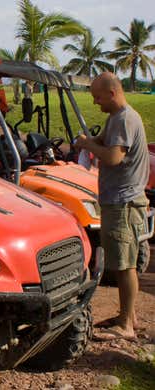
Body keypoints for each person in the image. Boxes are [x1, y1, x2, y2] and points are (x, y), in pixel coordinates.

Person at [75, 72, 149, 340]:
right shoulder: (116, 119)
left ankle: (127, 326)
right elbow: (104, 144)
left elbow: (114, 157)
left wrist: (86, 144)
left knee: (125, 264)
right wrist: (89, 142)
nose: (95, 102)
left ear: (112, 93)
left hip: (123, 202)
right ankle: (127, 315)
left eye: (97, 96)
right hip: (119, 200)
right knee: (123, 261)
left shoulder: (124, 119)